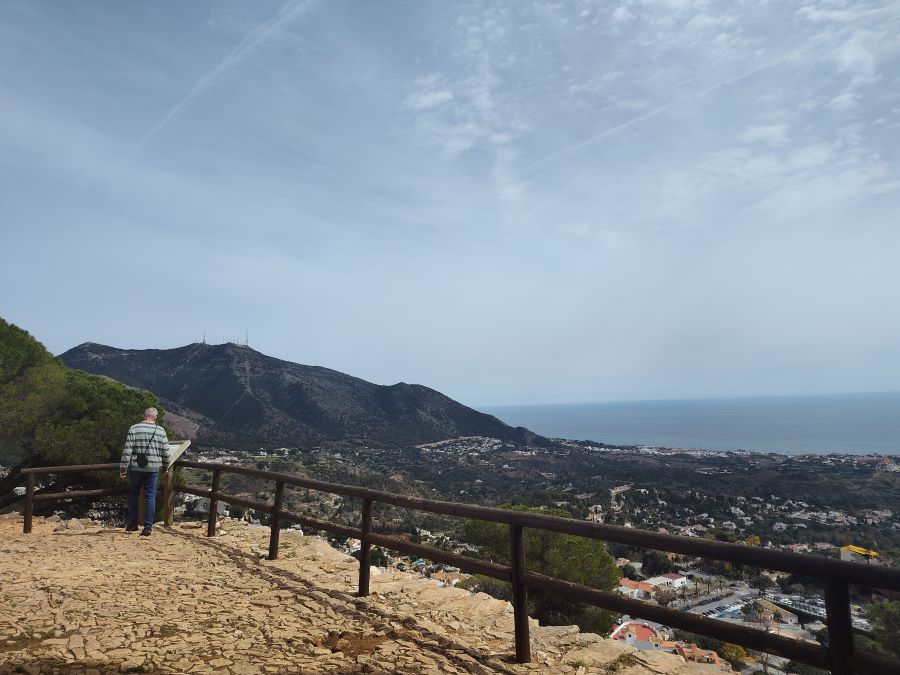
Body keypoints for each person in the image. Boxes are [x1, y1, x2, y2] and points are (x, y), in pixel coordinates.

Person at [119, 407, 170, 536]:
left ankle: (132, 524)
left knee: (134, 495)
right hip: (152, 469)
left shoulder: (134, 428)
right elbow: (166, 453)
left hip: (135, 468)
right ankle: (147, 527)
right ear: (155, 417)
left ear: (144, 416)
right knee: (150, 496)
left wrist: (123, 469)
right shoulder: (160, 431)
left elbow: (127, 451)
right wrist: (165, 467)